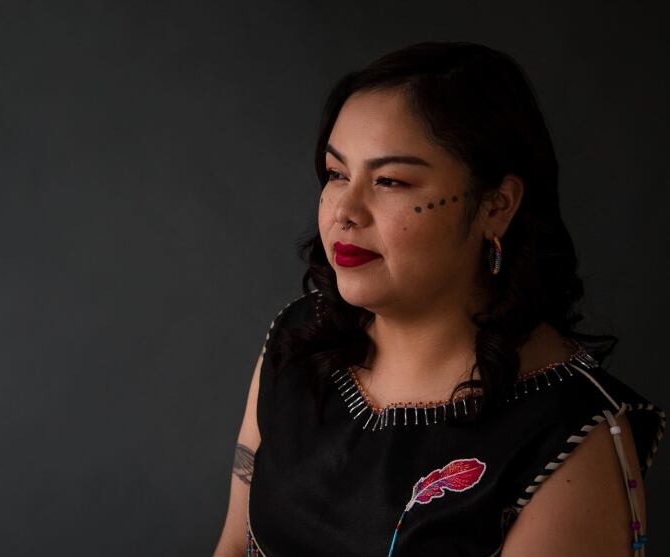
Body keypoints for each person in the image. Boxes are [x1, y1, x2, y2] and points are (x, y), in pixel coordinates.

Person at [212, 41, 665, 556]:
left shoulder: (568, 437)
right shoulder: (299, 341)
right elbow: (233, 544)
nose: (346, 211)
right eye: (337, 174)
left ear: (496, 205)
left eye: (390, 181)